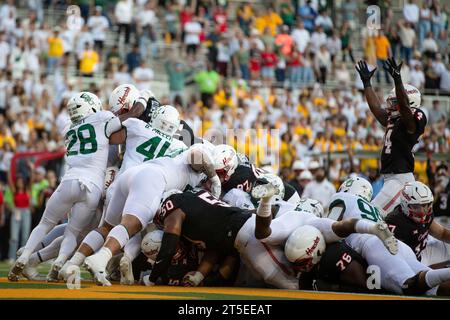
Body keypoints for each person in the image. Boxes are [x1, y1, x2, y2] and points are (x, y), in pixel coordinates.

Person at [8, 91, 146, 282]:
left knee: (47, 223)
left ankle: (27, 255)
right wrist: (143, 101)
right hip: (94, 186)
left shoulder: (68, 128)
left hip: (69, 180)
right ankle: (61, 262)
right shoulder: (102, 119)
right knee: (75, 232)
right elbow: (128, 119)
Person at [355, 57, 427, 215]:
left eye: (395, 102)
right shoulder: (393, 119)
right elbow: (376, 108)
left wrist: (397, 79)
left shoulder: (412, 120)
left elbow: (405, 109)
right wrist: (367, 83)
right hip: (389, 178)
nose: (391, 106)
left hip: (400, 179)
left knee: (370, 215)